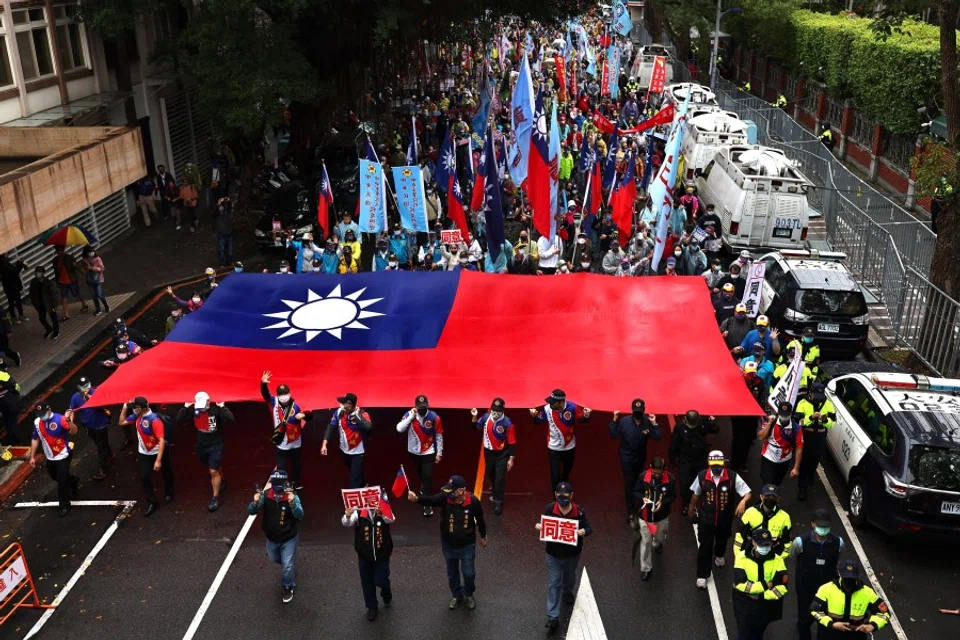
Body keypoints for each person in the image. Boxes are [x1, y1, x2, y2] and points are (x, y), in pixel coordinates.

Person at [408, 475, 488, 610]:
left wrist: (483, 536)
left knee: (469, 574)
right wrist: (417, 499)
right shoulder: (446, 498)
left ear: (462, 490)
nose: (449, 493)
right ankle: (457, 595)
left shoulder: (473, 501)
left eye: (453, 490)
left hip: (467, 545)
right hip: (448, 545)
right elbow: (431, 500)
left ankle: (468, 594)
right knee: (452, 573)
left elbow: (480, 519)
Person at [689, 450, 752, 589]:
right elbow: (695, 494)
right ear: (709, 463)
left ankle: (719, 554)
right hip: (706, 519)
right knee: (705, 546)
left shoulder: (732, 476)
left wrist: (743, 502)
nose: (717, 468)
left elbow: (747, 493)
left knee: (722, 540)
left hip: (724, 518)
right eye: (714, 465)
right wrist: (691, 508)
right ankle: (702, 574)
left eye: (719, 465)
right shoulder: (702, 476)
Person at [536, 482, 592, 632]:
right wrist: (539, 525)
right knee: (554, 583)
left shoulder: (578, 511)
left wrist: (583, 532)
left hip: (571, 555)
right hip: (553, 554)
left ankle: (568, 591)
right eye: (559, 496)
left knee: (569, 578)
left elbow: (589, 527)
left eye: (565, 496)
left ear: (571, 496)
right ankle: (553, 616)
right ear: (555, 495)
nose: (562, 499)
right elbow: (542, 522)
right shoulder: (549, 509)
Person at [249, 469, 304, 604]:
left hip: (288, 537)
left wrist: (292, 503)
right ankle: (289, 566)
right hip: (271, 538)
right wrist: (255, 502)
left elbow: (300, 515)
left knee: (287, 567)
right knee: (274, 557)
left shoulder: (293, 496)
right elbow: (251, 512)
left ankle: (287, 587)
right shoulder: (266, 495)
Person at [177, 391, 234, 512]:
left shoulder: (215, 411)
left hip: (216, 444)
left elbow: (231, 419)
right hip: (201, 446)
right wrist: (184, 408)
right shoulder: (195, 411)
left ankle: (215, 497)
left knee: (212, 471)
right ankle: (221, 476)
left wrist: (223, 407)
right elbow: (179, 420)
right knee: (213, 467)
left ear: (208, 402)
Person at [793, 509, 845, 640]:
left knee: (825, 619)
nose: (823, 529)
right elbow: (793, 554)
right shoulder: (800, 542)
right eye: (820, 526)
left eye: (826, 526)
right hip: (805, 587)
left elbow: (837, 558)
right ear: (812, 524)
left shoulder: (838, 542)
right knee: (804, 619)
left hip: (827, 589)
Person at [609, 398, 662, 522]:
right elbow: (613, 434)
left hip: (640, 458)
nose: (638, 414)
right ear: (632, 410)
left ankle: (640, 505)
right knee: (629, 483)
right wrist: (614, 421)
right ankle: (631, 511)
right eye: (636, 411)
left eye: (640, 411)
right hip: (626, 458)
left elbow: (658, 436)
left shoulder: (648, 422)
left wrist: (654, 423)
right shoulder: (624, 422)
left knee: (640, 482)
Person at [119, 396, 173, 516]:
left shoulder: (155, 420)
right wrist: (124, 408)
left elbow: (161, 440)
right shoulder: (137, 415)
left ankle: (169, 493)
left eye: (135, 407)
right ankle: (152, 502)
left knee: (166, 471)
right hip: (144, 453)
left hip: (158, 452)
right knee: (144, 476)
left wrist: (158, 460)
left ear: (139, 408)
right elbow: (121, 422)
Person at [810, 559, 890, 639]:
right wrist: (832, 624)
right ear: (839, 573)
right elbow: (815, 610)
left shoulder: (867, 593)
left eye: (851, 578)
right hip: (829, 634)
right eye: (846, 578)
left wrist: (872, 625)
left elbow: (885, 613)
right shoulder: (826, 589)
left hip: (856, 636)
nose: (849, 581)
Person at [732, 528, 789, 639]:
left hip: (766, 606)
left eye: (767, 545)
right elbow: (741, 584)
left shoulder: (778, 561)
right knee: (744, 633)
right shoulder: (741, 558)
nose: (765, 548)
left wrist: (761, 595)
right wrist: (766, 585)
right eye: (761, 545)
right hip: (744, 603)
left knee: (758, 633)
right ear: (753, 542)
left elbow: (782, 587)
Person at [531, 389, 592, 492]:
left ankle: (564, 492)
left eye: (553, 402)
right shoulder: (547, 409)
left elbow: (581, 419)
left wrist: (586, 416)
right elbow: (538, 421)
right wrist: (534, 417)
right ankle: (556, 500)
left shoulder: (573, 407)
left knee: (566, 473)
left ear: (561, 402)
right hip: (554, 449)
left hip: (569, 447)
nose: (550, 404)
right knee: (555, 476)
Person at [342, 504, 394, 621]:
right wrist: (347, 515)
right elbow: (346, 523)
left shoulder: (383, 505)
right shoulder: (358, 510)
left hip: (382, 554)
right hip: (364, 555)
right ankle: (372, 607)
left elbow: (391, 519)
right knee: (367, 582)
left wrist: (383, 513)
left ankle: (386, 590)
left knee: (381, 580)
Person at [397, 394, 444, 516]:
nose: (422, 410)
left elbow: (439, 436)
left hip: (429, 451)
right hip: (414, 452)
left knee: (427, 476)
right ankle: (424, 489)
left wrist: (439, 453)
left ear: (427, 406)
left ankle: (427, 504)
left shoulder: (434, 418)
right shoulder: (409, 415)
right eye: (420, 407)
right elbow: (399, 429)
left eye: (424, 407)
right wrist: (410, 417)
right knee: (421, 475)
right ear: (415, 406)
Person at [29, 403, 79, 516]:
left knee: (61, 481)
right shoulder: (37, 422)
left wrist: (68, 420)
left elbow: (74, 431)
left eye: (43, 414)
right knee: (54, 475)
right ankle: (73, 481)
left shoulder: (60, 419)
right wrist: (32, 456)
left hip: (63, 455)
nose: (42, 417)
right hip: (50, 457)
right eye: (39, 415)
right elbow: (35, 439)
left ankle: (64, 505)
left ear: (49, 410)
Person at [260, 371, 307, 488]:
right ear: (278, 395)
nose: (283, 396)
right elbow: (265, 395)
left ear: (290, 393)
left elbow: (310, 416)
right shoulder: (274, 402)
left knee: (297, 464)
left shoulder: (297, 404)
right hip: (282, 442)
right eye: (281, 394)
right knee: (282, 466)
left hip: (296, 441)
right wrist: (263, 384)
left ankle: (297, 483)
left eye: (285, 393)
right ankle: (283, 486)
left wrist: (305, 416)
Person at [471, 398, 515, 516]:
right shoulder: (485, 418)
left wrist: (511, 459)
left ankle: (498, 502)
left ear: (503, 411)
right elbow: (475, 427)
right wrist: (474, 417)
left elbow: (512, 442)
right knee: (491, 474)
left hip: (502, 454)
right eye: (493, 411)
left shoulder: (507, 423)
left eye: (498, 412)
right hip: (488, 453)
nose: (495, 414)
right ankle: (495, 490)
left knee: (500, 477)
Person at [633, 456, 675, 581]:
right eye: (654, 472)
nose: (656, 475)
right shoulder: (643, 477)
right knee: (645, 542)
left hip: (661, 516)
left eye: (659, 473)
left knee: (659, 536)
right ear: (650, 468)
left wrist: (663, 503)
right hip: (645, 517)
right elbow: (636, 491)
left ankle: (657, 543)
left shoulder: (670, 479)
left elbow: (673, 496)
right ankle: (646, 568)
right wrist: (642, 498)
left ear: (664, 470)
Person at [669, 409, 718, 514]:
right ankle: (686, 504)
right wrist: (672, 459)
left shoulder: (703, 423)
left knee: (703, 481)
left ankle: (703, 502)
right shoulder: (679, 428)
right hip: (686, 460)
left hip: (700, 459)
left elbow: (715, 430)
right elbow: (674, 444)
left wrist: (712, 422)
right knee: (684, 483)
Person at [322, 392, 373, 489]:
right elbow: (331, 427)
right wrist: (324, 444)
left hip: (358, 452)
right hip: (344, 450)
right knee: (355, 472)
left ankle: (354, 501)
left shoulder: (362, 414)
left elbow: (369, 427)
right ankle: (363, 483)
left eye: (342, 403)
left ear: (349, 406)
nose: (340, 404)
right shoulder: (339, 413)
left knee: (354, 479)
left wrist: (357, 418)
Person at [65, 377, 111, 481]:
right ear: (79, 387)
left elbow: (104, 404)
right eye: (84, 387)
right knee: (100, 443)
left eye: (88, 385)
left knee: (101, 447)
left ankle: (103, 469)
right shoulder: (75, 397)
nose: (87, 388)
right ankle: (110, 454)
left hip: (101, 425)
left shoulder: (95, 392)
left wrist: (92, 399)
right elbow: (72, 410)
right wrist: (69, 420)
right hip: (89, 426)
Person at [795, 383, 836, 500]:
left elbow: (832, 423)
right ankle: (802, 487)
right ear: (810, 393)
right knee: (804, 461)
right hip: (807, 435)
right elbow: (799, 422)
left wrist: (824, 420)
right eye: (816, 395)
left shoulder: (828, 404)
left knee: (816, 458)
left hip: (820, 436)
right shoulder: (802, 403)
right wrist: (811, 418)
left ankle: (810, 473)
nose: (818, 398)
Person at [735, 484, 793, 560]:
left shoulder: (785, 518)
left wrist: (778, 560)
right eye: (767, 496)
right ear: (761, 497)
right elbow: (740, 537)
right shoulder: (750, 513)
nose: (770, 499)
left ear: (778, 499)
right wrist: (739, 557)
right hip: (750, 556)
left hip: (772, 558)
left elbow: (787, 543)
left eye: (773, 497)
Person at [759, 401, 804, 487]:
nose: (783, 418)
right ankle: (764, 499)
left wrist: (796, 468)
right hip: (768, 458)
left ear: (790, 413)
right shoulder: (771, 422)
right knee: (767, 484)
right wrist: (769, 424)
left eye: (786, 415)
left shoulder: (796, 429)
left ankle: (771, 499)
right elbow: (761, 437)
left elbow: (799, 448)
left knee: (776, 483)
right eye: (782, 415)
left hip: (784, 460)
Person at [52, 245, 87, 320]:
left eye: (60, 250)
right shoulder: (55, 260)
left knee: (76, 293)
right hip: (62, 282)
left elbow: (77, 267)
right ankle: (66, 314)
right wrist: (57, 282)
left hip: (71, 280)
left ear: (63, 250)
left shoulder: (69, 257)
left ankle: (84, 303)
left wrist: (78, 267)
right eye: (57, 250)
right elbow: (56, 272)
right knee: (64, 297)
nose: (58, 252)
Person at [80, 246, 109, 316]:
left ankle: (106, 305)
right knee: (94, 296)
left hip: (98, 279)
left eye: (92, 251)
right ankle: (98, 309)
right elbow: (83, 270)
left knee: (99, 295)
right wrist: (84, 269)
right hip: (90, 280)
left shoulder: (97, 259)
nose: (91, 253)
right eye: (90, 252)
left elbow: (102, 269)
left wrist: (93, 268)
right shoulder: (84, 260)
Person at [0, 360, 22, 445]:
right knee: (11, 419)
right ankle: (13, 439)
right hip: (7, 400)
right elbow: (15, 386)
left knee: (7, 418)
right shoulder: (2, 374)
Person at [0, 255, 26, 324]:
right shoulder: (3, 267)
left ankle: (21, 315)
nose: (7, 257)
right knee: (12, 303)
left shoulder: (7, 265)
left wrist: (20, 264)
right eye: (6, 256)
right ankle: (14, 317)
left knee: (18, 302)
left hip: (14, 287)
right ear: (3, 259)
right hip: (10, 289)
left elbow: (15, 271)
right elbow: (15, 271)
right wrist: (20, 263)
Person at [215, 197, 235, 266]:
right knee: (221, 249)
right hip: (221, 233)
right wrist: (218, 204)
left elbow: (231, 210)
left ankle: (229, 261)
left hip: (228, 232)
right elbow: (213, 213)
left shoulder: (228, 211)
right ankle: (222, 263)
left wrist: (229, 201)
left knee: (229, 249)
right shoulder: (217, 212)